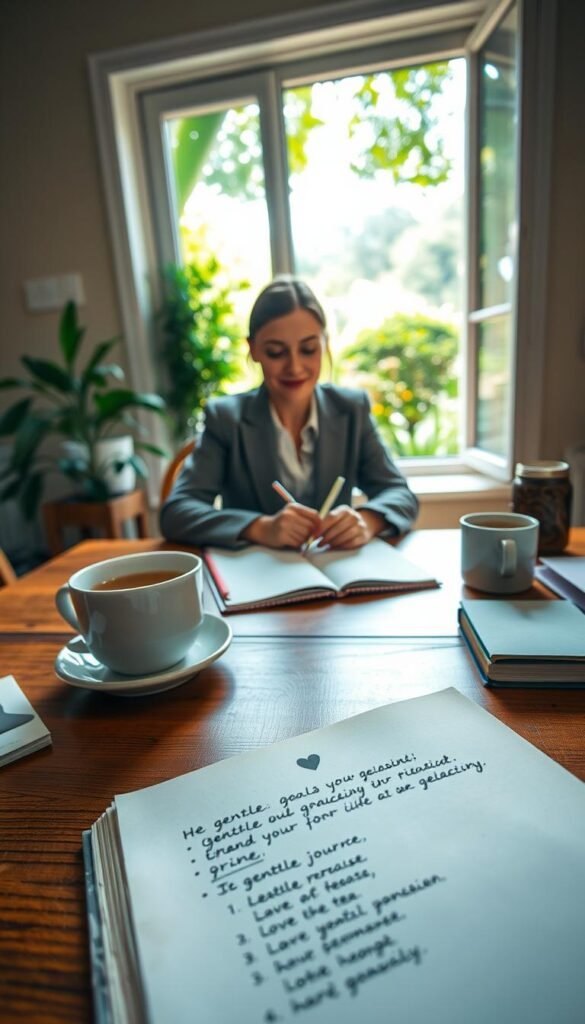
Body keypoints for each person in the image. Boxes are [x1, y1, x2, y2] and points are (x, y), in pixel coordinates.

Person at [160, 276, 418, 550]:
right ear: (253, 349)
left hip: (340, 582)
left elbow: (400, 495)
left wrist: (367, 521)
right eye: (276, 352)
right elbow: (176, 513)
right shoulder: (226, 419)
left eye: (308, 349)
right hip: (258, 580)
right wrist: (260, 527)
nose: (294, 367)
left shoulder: (351, 410)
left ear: (325, 344)